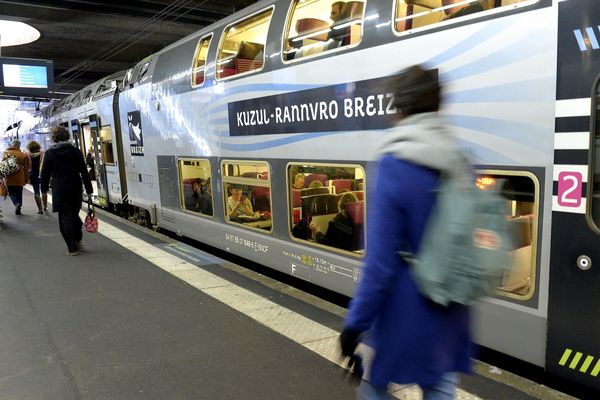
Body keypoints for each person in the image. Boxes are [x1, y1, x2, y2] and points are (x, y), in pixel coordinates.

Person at [339, 65, 471, 399]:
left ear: (398, 110)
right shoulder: (461, 160)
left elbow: (380, 266)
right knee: (440, 388)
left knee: (372, 390)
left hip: (406, 315)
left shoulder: (394, 166)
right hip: (451, 313)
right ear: (438, 105)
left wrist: (354, 326)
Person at [41, 126, 93, 256]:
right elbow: (84, 172)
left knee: (65, 219)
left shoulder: (49, 153)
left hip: (59, 189)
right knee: (74, 216)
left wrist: (44, 189)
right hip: (75, 188)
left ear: (53, 138)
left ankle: (72, 247)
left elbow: (45, 174)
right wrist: (89, 189)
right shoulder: (75, 151)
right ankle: (78, 239)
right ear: (67, 136)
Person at [2, 139, 31, 215]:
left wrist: (1, 176)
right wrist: (27, 179)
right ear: (19, 146)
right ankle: (19, 207)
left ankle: (16, 203)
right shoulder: (23, 155)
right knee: (19, 192)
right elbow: (26, 169)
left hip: (9, 177)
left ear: (11, 145)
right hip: (20, 177)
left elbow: (2, 165)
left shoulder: (6, 153)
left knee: (11, 192)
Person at [26, 140, 48, 214]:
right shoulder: (42, 153)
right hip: (43, 173)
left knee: (36, 192)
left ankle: (40, 209)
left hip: (33, 174)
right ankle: (45, 206)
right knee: (44, 190)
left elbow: (29, 165)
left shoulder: (28, 154)